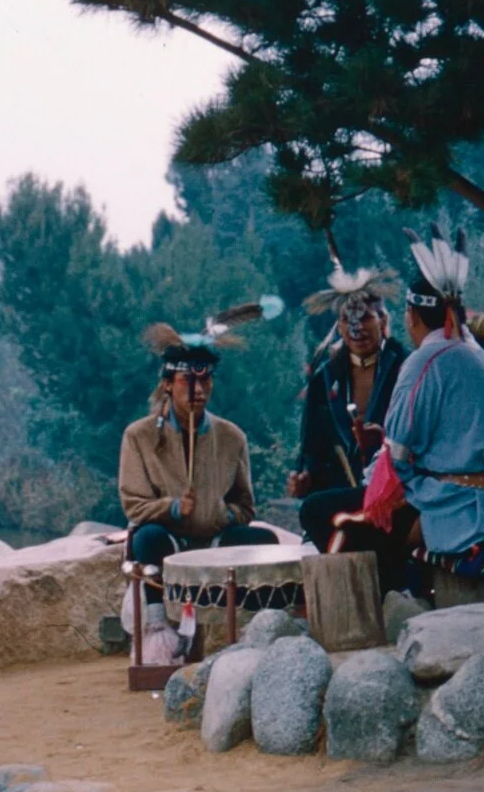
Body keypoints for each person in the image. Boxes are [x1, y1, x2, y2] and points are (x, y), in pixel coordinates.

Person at [343, 228, 484, 611]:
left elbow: (398, 460)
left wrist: (377, 460)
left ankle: (388, 611)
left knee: (326, 512)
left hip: (452, 512)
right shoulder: (482, 359)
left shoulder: (424, 362)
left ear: (412, 315)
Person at [118, 298, 287, 612]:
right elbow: (134, 505)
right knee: (147, 538)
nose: (198, 390)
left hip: (215, 539)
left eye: (205, 380)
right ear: (168, 385)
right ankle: (156, 621)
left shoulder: (232, 437)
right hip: (166, 538)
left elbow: (245, 506)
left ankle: (257, 623)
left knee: (263, 541)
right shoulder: (138, 436)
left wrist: (219, 514)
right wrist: (173, 508)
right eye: (187, 381)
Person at [290, 262, 417, 592]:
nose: (356, 328)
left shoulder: (405, 369)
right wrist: (304, 478)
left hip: (396, 494)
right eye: (347, 320)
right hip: (344, 493)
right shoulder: (326, 378)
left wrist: (381, 443)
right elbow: (311, 446)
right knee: (316, 512)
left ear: (384, 321)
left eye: (365, 318)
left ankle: (389, 590)